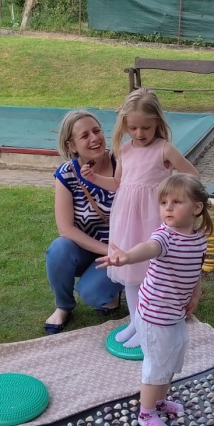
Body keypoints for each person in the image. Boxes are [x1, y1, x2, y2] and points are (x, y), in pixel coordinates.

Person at [98, 174, 213, 426]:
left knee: (172, 358)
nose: (167, 208)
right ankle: (146, 414)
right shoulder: (165, 237)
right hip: (154, 314)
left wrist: (195, 295)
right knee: (157, 363)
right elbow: (148, 248)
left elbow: (195, 270)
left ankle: (159, 402)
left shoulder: (198, 239)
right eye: (163, 203)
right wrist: (127, 256)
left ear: (196, 208)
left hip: (174, 313)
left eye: (176, 202)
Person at [84, 89, 199, 348]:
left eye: (145, 127)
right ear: (124, 125)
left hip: (152, 218)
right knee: (130, 273)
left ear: (157, 121)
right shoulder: (124, 150)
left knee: (150, 273)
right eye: (132, 128)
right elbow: (117, 183)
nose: (139, 133)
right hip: (126, 219)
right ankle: (135, 322)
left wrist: (172, 193)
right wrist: (95, 178)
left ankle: (148, 324)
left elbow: (192, 175)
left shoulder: (164, 149)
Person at [44, 110, 124, 334]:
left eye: (97, 131)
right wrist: (107, 250)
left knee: (93, 295)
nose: (95, 138)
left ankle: (112, 288)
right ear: (71, 145)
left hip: (123, 249)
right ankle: (63, 306)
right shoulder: (66, 174)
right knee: (59, 249)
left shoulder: (123, 163)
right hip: (88, 249)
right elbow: (66, 229)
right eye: (85, 135)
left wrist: (119, 252)